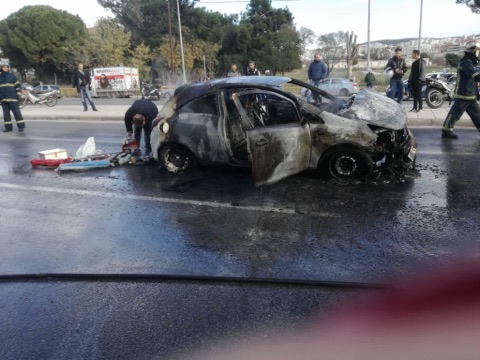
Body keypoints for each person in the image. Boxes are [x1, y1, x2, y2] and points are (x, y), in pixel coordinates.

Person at [441, 41, 480, 139]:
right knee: (455, 114)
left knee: (477, 115)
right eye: (478, 51)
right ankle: (446, 131)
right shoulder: (466, 62)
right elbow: (474, 75)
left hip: (470, 94)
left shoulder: (471, 61)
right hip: (463, 94)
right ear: (473, 51)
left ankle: (446, 131)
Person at [0, 60, 25, 132]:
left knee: (17, 113)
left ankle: (21, 127)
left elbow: (17, 85)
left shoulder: (12, 76)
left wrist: (18, 93)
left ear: (8, 68)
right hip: (3, 99)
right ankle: (8, 128)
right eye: (3, 67)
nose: (5, 68)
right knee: (6, 115)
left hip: (13, 98)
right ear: (1, 68)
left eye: (6, 67)